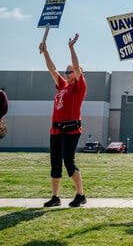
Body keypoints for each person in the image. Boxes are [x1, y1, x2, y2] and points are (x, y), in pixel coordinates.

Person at [39, 34, 87, 208]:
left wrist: (71, 47)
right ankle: (55, 197)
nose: (67, 73)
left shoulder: (78, 87)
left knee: (68, 160)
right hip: (56, 129)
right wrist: (45, 51)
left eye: (70, 71)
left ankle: (80, 194)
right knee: (55, 162)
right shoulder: (62, 86)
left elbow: (75, 66)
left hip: (71, 129)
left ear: (77, 73)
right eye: (66, 71)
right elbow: (51, 69)